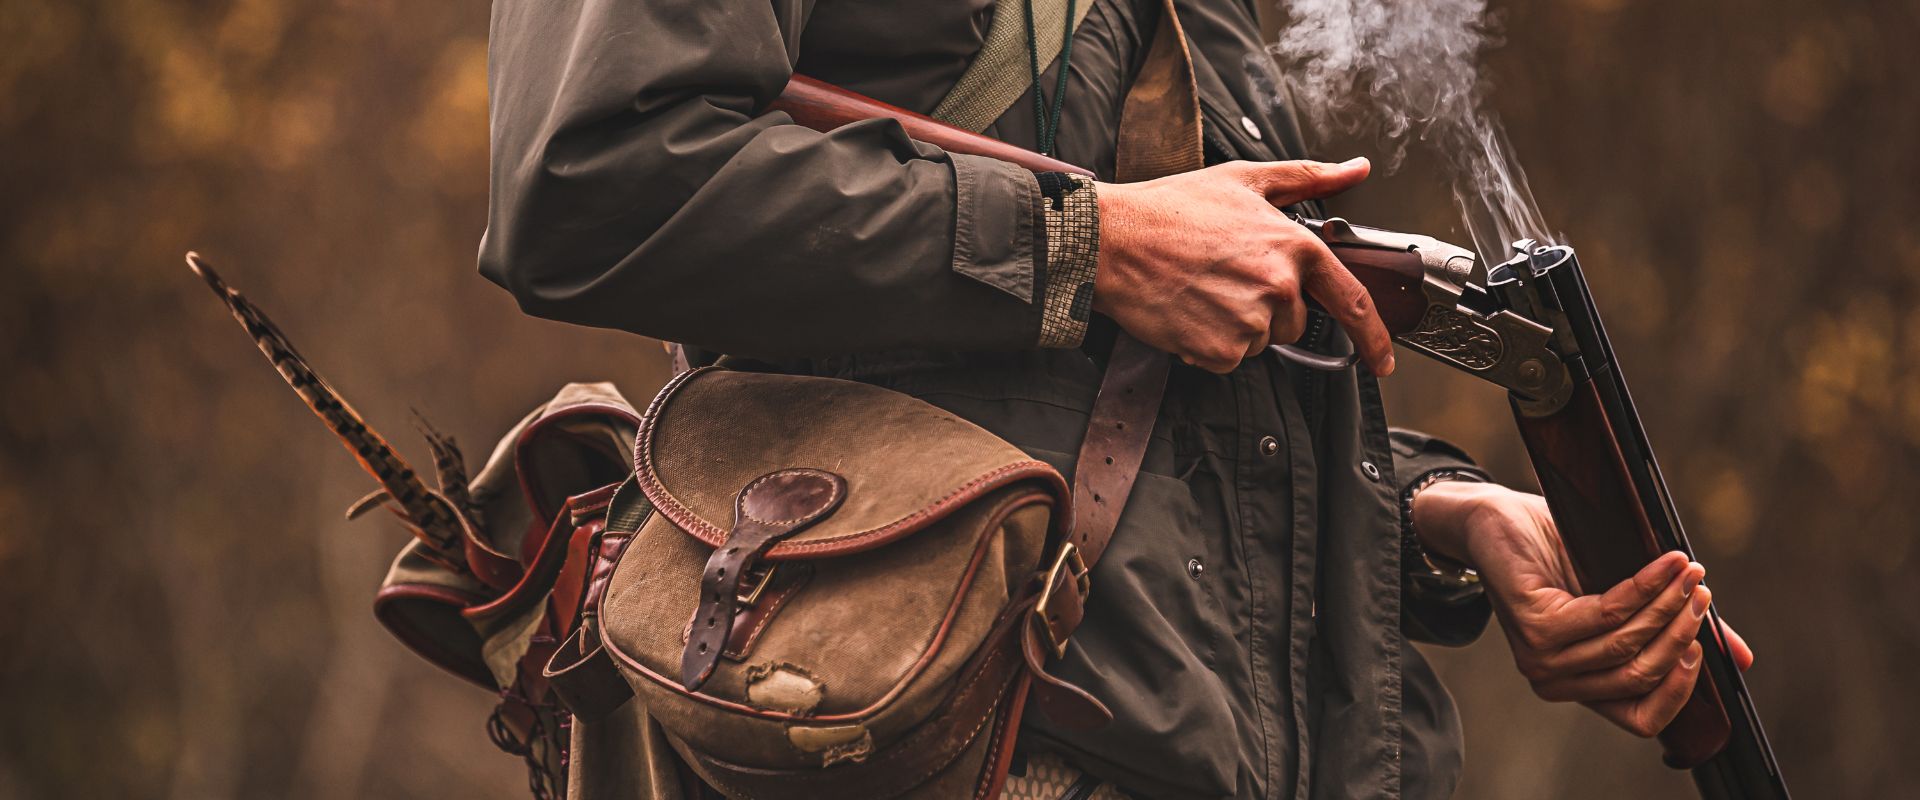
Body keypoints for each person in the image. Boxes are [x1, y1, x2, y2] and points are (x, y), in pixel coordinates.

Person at [477, 0, 1755, 796]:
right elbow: (587, 177)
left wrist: (1443, 511)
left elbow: (1157, 390)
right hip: (937, 738)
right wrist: (1085, 247)